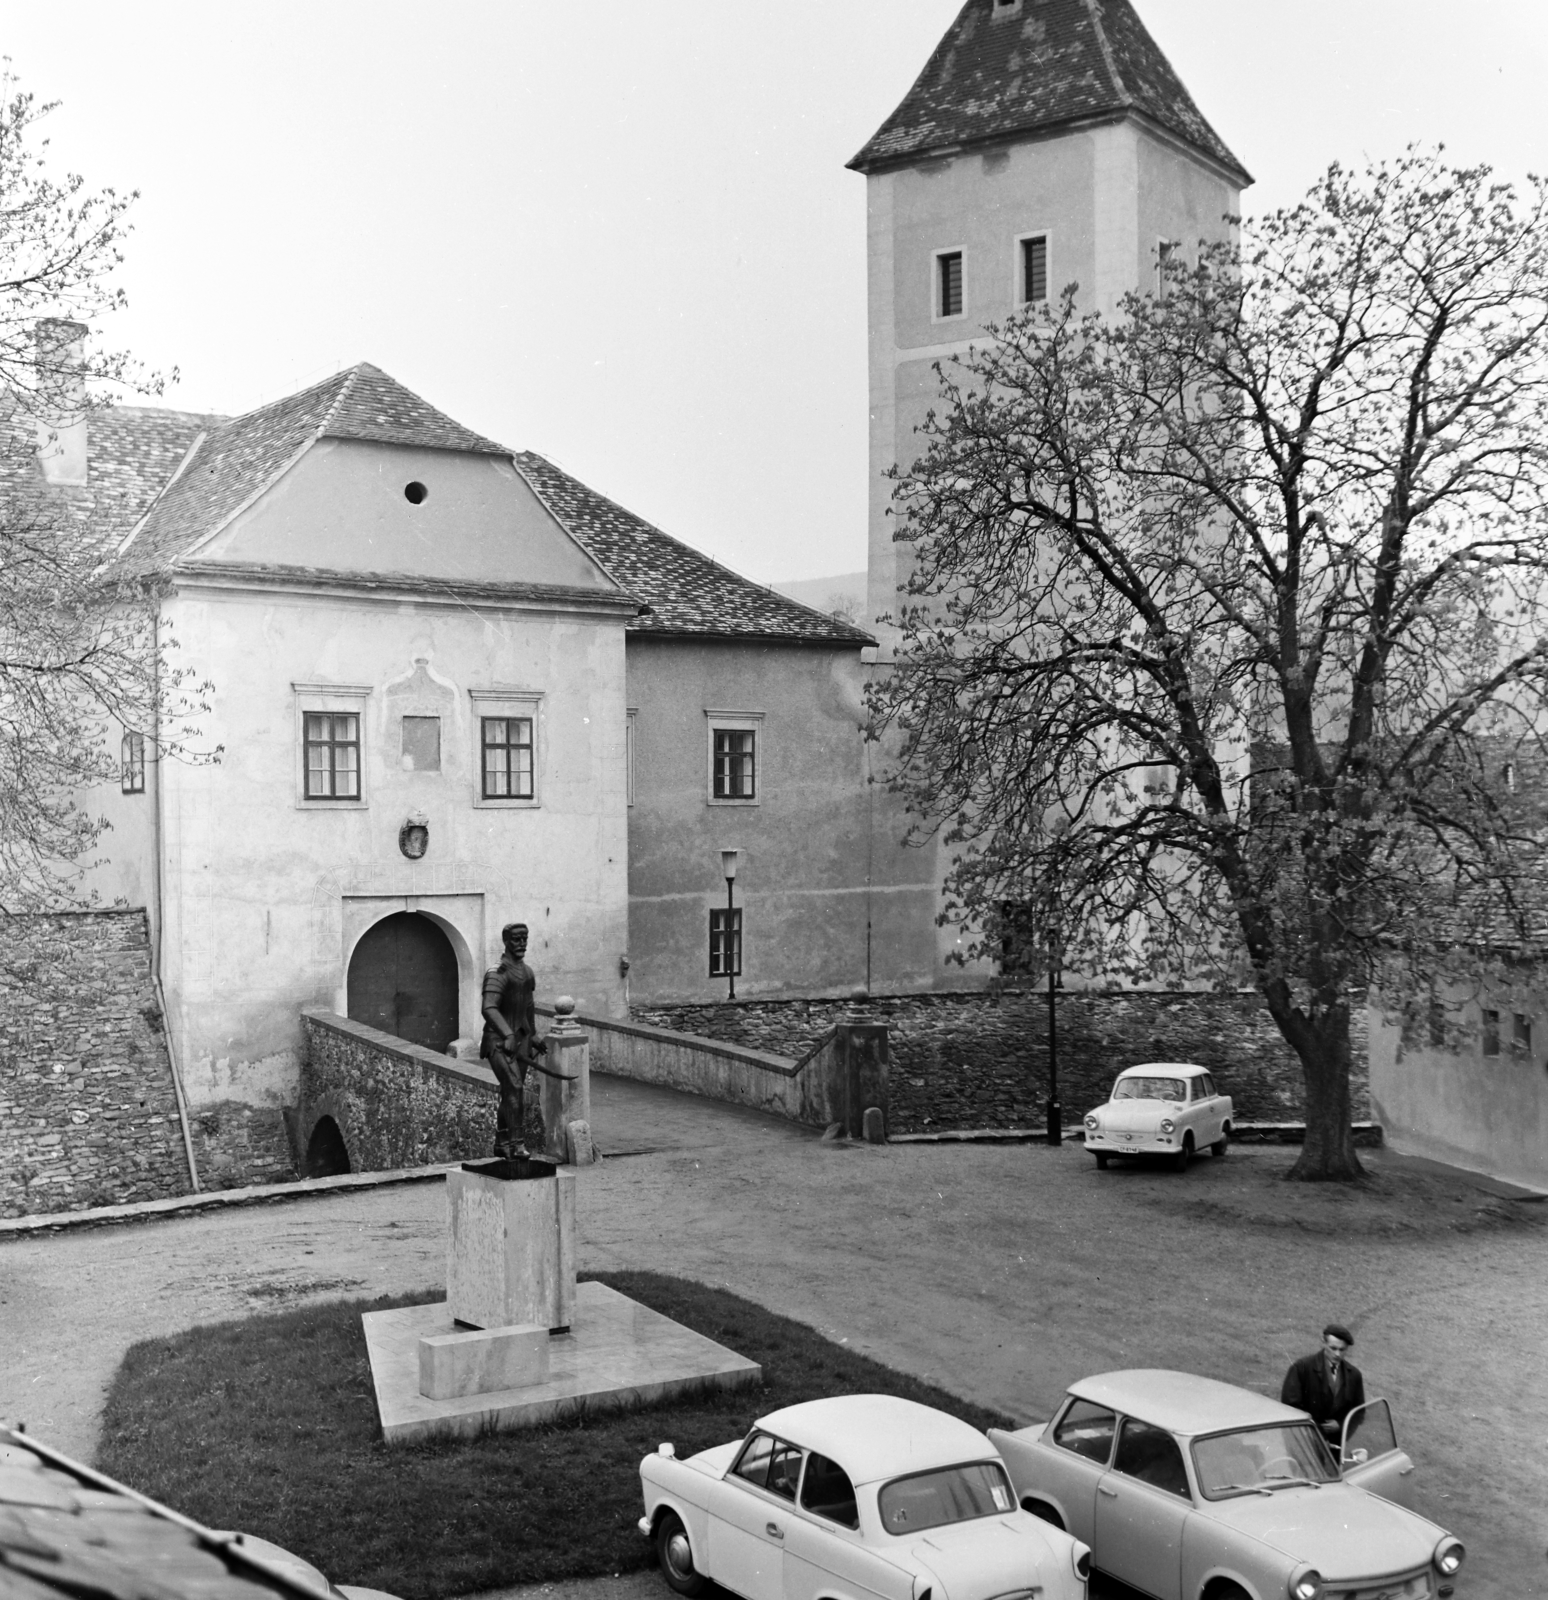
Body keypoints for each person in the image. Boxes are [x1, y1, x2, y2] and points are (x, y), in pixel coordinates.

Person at [480, 922, 548, 1158]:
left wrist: (534, 1034)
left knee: (510, 1091)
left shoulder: (527, 972)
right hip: (498, 1041)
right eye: (517, 939)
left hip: (522, 1041)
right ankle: (517, 1144)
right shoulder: (497, 972)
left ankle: (502, 1142)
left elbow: (528, 1005)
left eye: (525, 939)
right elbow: (489, 1007)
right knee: (515, 1088)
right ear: (506, 941)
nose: (522, 944)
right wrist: (507, 1034)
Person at [1281, 1323, 1366, 1443]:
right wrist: (1317, 1429)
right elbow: (1290, 1407)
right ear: (1324, 1343)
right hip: (1305, 1442)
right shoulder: (1302, 1368)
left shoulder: (1354, 1375)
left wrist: (1341, 1425)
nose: (1337, 1354)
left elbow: (1359, 1412)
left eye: (1342, 1350)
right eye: (1333, 1348)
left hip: (1337, 1445)